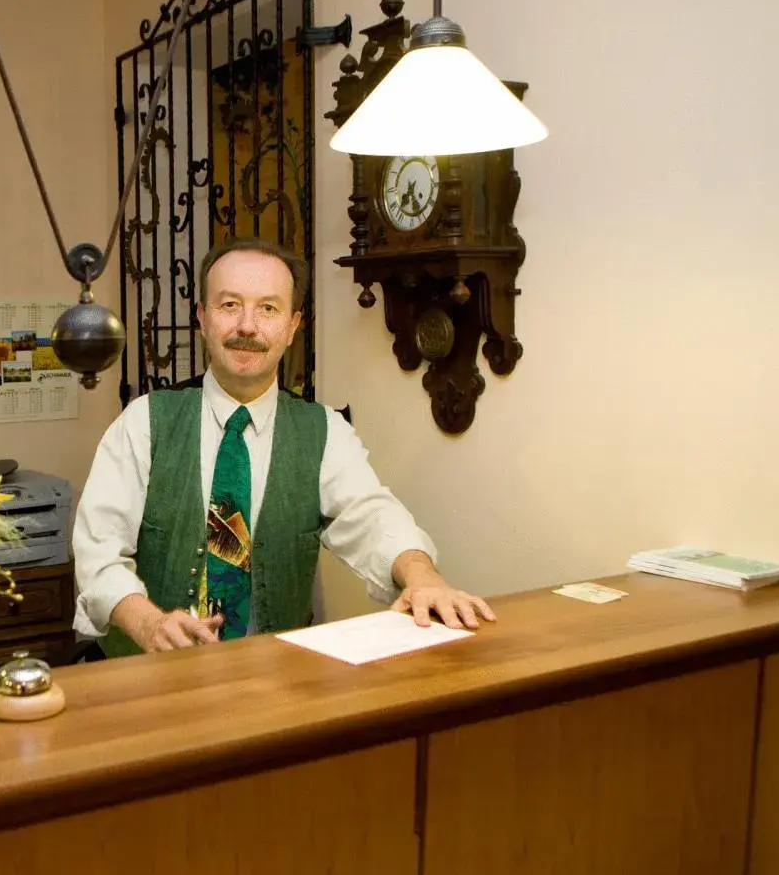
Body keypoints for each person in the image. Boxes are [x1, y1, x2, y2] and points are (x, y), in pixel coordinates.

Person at [72, 237, 495, 655]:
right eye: (229, 304)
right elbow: (98, 552)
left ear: (292, 327)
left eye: (268, 308)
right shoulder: (143, 423)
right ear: (202, 318)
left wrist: (422, 575)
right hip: (149, 683)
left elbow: (370, 514)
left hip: (278, 682)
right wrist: (148, 623)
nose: (247, 327)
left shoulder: (323, 431)